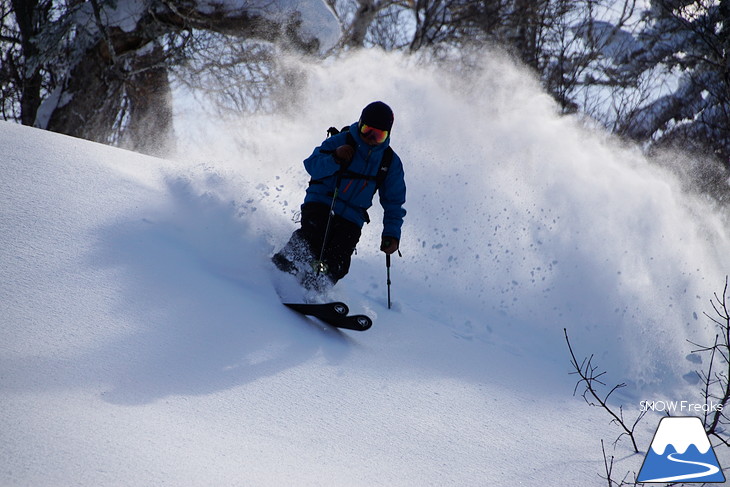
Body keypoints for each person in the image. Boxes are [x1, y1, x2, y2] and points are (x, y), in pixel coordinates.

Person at [272, 101, 406, 290]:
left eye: (378, 135)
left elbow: (394, 202)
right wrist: (335, 158)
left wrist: (392, 234)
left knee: (339, 259)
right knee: (312, 239)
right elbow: (312, 165)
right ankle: (282, 269)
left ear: (387, 135)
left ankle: (316, 289)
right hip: (322, 201)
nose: (370, 138)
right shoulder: (341, 141)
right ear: (360, 124)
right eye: (367, 130)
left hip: (353, 217)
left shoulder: (389, 162)